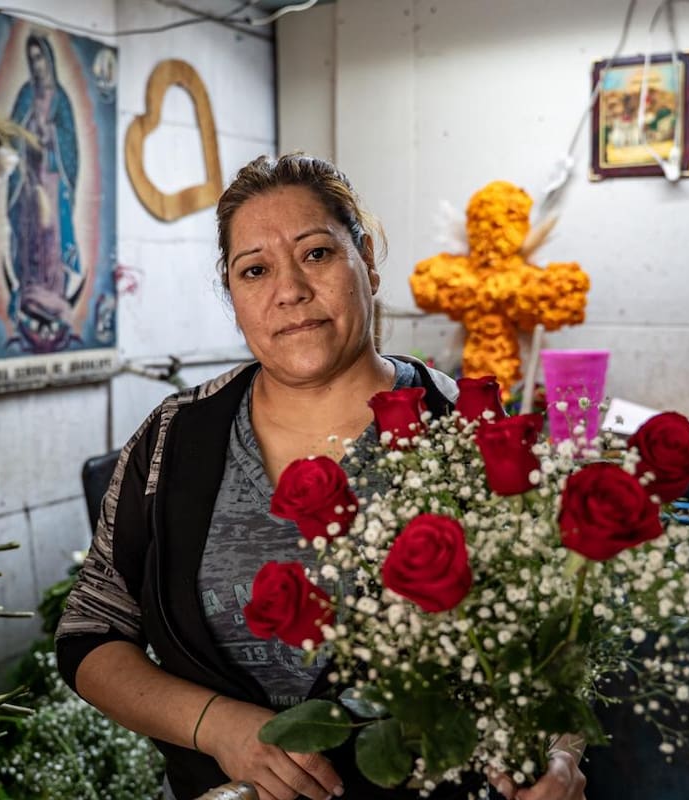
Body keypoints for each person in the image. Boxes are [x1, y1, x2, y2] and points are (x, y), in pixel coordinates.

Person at [55, 154, 587, 800]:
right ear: (233, 295)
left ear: (365, 258)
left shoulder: (465, 427)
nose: (290, 292)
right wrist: (219, 727)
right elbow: (91, 634)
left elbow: (555, 635)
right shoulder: (174, 438)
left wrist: (558, 757)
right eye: (255, 270)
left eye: (315, 255)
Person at [5, 33, 82, 351]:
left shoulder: (60, 98)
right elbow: (12, 135)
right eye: (31, 59)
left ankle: (52, 294)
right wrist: (26, 140)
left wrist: (49, 133)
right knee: (30, 237)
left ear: (48, 60)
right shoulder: (25, 94)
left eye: (40, 58)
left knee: (51, 238)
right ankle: (31, 290)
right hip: (29, 182)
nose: (36, 65)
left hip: (52, 180)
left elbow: (69, 143)